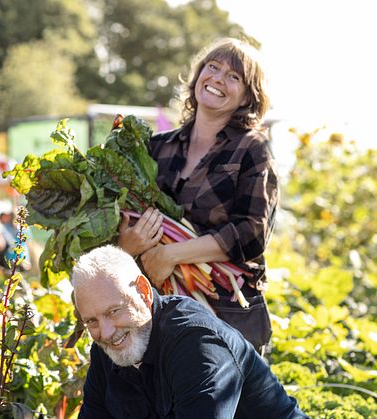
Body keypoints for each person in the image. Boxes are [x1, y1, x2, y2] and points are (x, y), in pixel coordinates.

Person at [119, 38, 278, 351]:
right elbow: (123, 215)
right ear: (198, 75)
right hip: (155, 307)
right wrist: (126, 245)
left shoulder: (251, 149)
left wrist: (171, 255)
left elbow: (252, 232)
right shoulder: (156, 147)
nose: (218, 78)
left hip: (226, 312)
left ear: (249, 96)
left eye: (234, 77)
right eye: (213, 67)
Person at [72, 245, 305, 418]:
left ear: (143, 292)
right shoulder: (107, 347)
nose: (105, 331)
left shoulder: (196, 343)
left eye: (114, 311)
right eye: (91, 321)